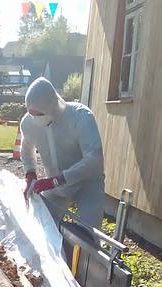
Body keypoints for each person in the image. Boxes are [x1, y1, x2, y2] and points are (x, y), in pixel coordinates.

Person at [20, 77, 106, 231]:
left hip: (87, 183)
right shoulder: (28, 123)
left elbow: (94, 159)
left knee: (89, 236)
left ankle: (85, 253)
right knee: (44, 227)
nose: (34, 118)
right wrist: (30, 173)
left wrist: (57, 180)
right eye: (30, 113)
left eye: (38, 114)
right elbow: (26, 149)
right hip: (56, 186)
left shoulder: (80, 117)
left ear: (51, 106)